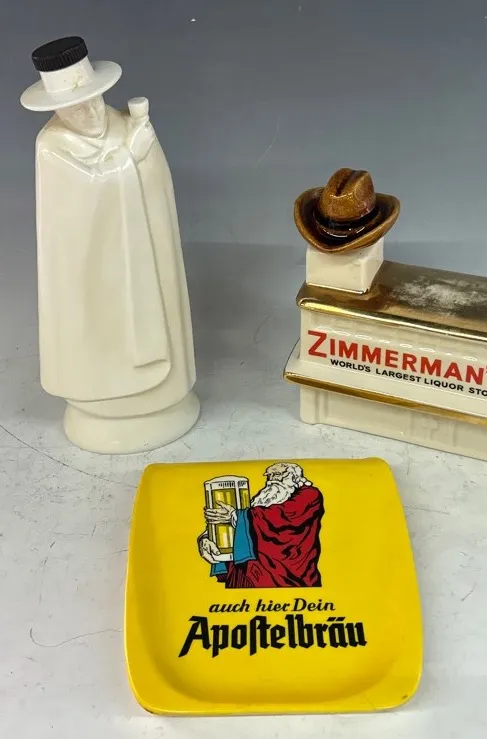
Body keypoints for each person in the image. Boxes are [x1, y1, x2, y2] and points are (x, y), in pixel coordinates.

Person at [20, 36, 198, 453]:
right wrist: (128, 161)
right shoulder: (51, 147)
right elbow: (74, 209)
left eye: (93, 100)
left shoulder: (124, 125)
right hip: (92, 272)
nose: (89, 112)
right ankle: (104, 399)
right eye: (75, 107)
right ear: (57, 109)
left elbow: (157, 189)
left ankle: (162, 396)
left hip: (142, 261)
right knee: (98, 329)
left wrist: (143, 157)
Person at [199, 463, 324, 588]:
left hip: (288, 577)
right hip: (248, 574)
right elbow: (245, 523)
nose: (272, 480)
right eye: (269, 476)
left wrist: (234, 515)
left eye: (278, 475)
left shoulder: (310, 495)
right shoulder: (264, 498)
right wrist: (207, 538)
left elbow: (282, 517)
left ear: (293, 477)